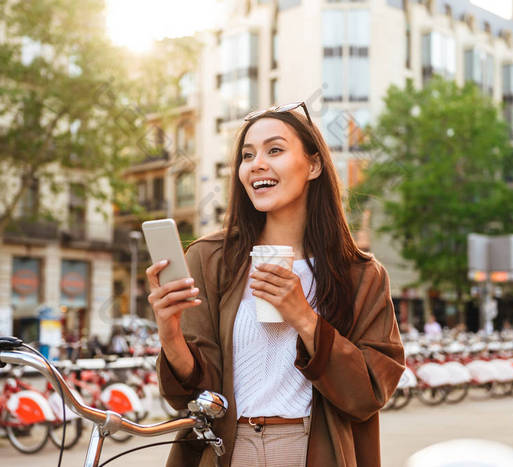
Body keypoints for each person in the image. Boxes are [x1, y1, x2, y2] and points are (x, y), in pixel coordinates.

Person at [147, 102, 405, 466]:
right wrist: (170, 334)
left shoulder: (360, 275)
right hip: (226, 450)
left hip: (311, 451)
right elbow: (191, 394)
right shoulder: (210, 259)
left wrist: (304, 317)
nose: (257, 164)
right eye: (247, 155)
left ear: (313, 165)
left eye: (275, 150)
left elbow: (369, 394)